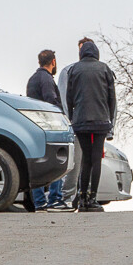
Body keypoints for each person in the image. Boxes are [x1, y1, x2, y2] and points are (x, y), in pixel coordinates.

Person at [65, 41, 117, 213]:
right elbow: (112, 98)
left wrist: (73, 117)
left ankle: (82, 199)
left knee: (85, 159)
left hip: (80, 121)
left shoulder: (73, 70)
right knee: (96, 159)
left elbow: (69, 97)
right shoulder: (104, 69)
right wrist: (109, 119)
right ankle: (93, 197)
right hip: (100, 120)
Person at [27, 50, 68, 211]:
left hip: (34, 127)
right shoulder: (46, 79)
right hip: (48, 127)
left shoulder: (32, 79)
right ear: (53, 62)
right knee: (56, 161)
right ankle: (55, 199)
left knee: (37, 163)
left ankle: (39, 202)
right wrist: (62, 111)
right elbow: (50, 101)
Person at [56, 37, 93, 208]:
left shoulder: (101, 70)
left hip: (95, 123)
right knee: (75, 162)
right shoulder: (68, 71)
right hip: (76, 124)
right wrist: (70, 120)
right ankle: (67, 198)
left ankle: (88, 197)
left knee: (91, 162)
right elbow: (64, 98)